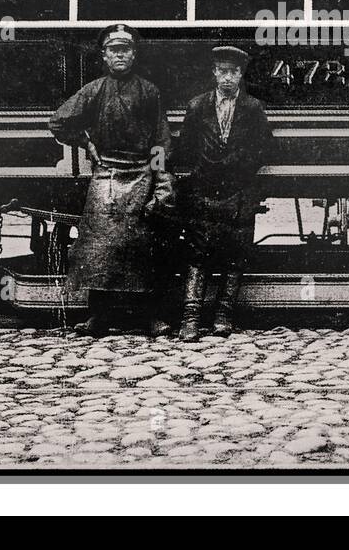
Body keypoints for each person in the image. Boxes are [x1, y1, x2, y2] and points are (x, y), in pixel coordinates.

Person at [48, 24, 175, 336]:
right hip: (105, 176)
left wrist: (161, 180)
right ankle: (98, 316)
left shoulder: (149, 91)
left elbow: (160, 141)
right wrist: (85, 141)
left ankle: (151, 316)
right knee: (98, 247)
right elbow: (58, 122)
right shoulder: (94, 90)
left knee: (142, 246)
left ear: (134, 54)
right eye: (114, 50)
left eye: (126, 49)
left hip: (141, 174)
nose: (120, 55)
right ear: (104, 55)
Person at [170, 45, 274, 341]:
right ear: (214, 73)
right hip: (204, 189)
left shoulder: (253, 108)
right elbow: (186, 147)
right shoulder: (198, 106)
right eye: (223, 71)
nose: (228, 78)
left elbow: (263, 148)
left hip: (239, 191)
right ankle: (190, 317)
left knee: (235, 254)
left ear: (241, 75)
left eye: (234, 72)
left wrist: (237, 166)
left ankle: (223, 315)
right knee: (197, 252)